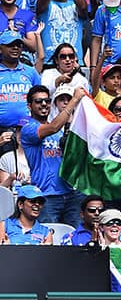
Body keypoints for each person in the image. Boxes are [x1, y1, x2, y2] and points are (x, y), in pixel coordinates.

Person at [21, 84, 86, 226]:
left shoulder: (60, 132)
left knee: (75, 239)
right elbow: (53, 127)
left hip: (70, 193)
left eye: (47, 100)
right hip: (46, 195)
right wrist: (74, 100)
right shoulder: (28, 128)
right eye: (38, 101)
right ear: (29, 106)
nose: (44, 104)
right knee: (51, 241)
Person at [0, 31, 41, 129]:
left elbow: (39, 98)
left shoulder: (31, 72)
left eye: (19, 45)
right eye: (10, 45)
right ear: (0, 49)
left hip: (28, 129)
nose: (15, 48)